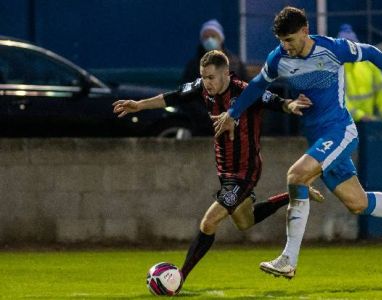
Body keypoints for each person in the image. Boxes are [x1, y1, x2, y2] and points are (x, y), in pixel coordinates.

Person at [212, 6, 382, 279]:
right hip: (318, 138)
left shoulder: (332, 49)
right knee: (357, 203)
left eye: (290, 40)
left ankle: (288, 259)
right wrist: (233, 113)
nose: (285, 46)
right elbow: (256, 86)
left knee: (296, 176)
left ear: (305, 31)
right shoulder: (279, 58)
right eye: (281, 41)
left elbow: (369, 51)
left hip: (339, 131)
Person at [112, 50, 324, 285]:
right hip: (225, 170)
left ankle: (179, 276)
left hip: (246, 171)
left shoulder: (244, 90)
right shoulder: (202, 88)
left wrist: (290, 104)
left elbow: (273, 100)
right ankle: (292, 194)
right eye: (203, 77)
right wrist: (139, 105)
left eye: (211, 77)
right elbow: (173, 97)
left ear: (225, 73)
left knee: (208, 222)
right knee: (246, 222)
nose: (207, 83)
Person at [338, 24, 382, 121]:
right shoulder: (335, 67)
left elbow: (381, 91)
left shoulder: (368, 64)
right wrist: (359, 116)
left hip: (367, 122)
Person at [181, 19, 248, 83]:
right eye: (206, 37)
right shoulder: (193, 66)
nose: (209, 40)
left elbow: (245, 87)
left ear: (221, 38)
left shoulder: (236, 64)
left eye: (213, 36)